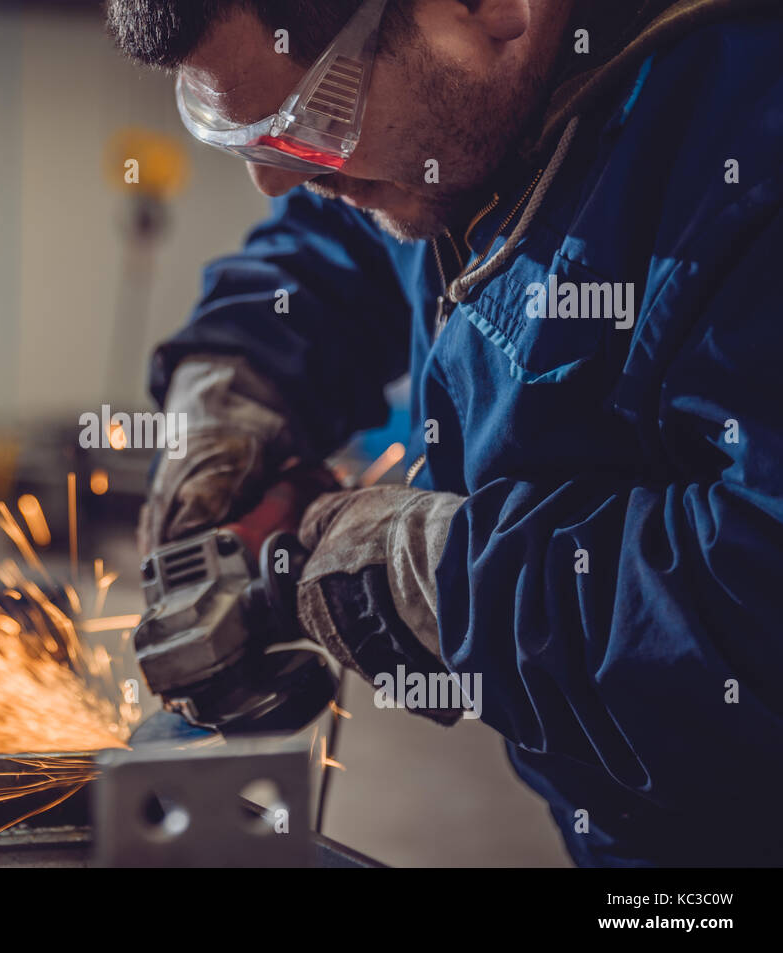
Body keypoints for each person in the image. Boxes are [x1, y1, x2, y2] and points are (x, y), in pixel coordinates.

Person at [107, 0, 783, 866]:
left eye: (311, 120)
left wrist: (443, 577)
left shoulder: (747, 154)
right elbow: (330, 243)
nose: (275, 181)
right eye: (249, 143)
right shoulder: (444, 127)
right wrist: (234, 381)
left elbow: (755, 603)